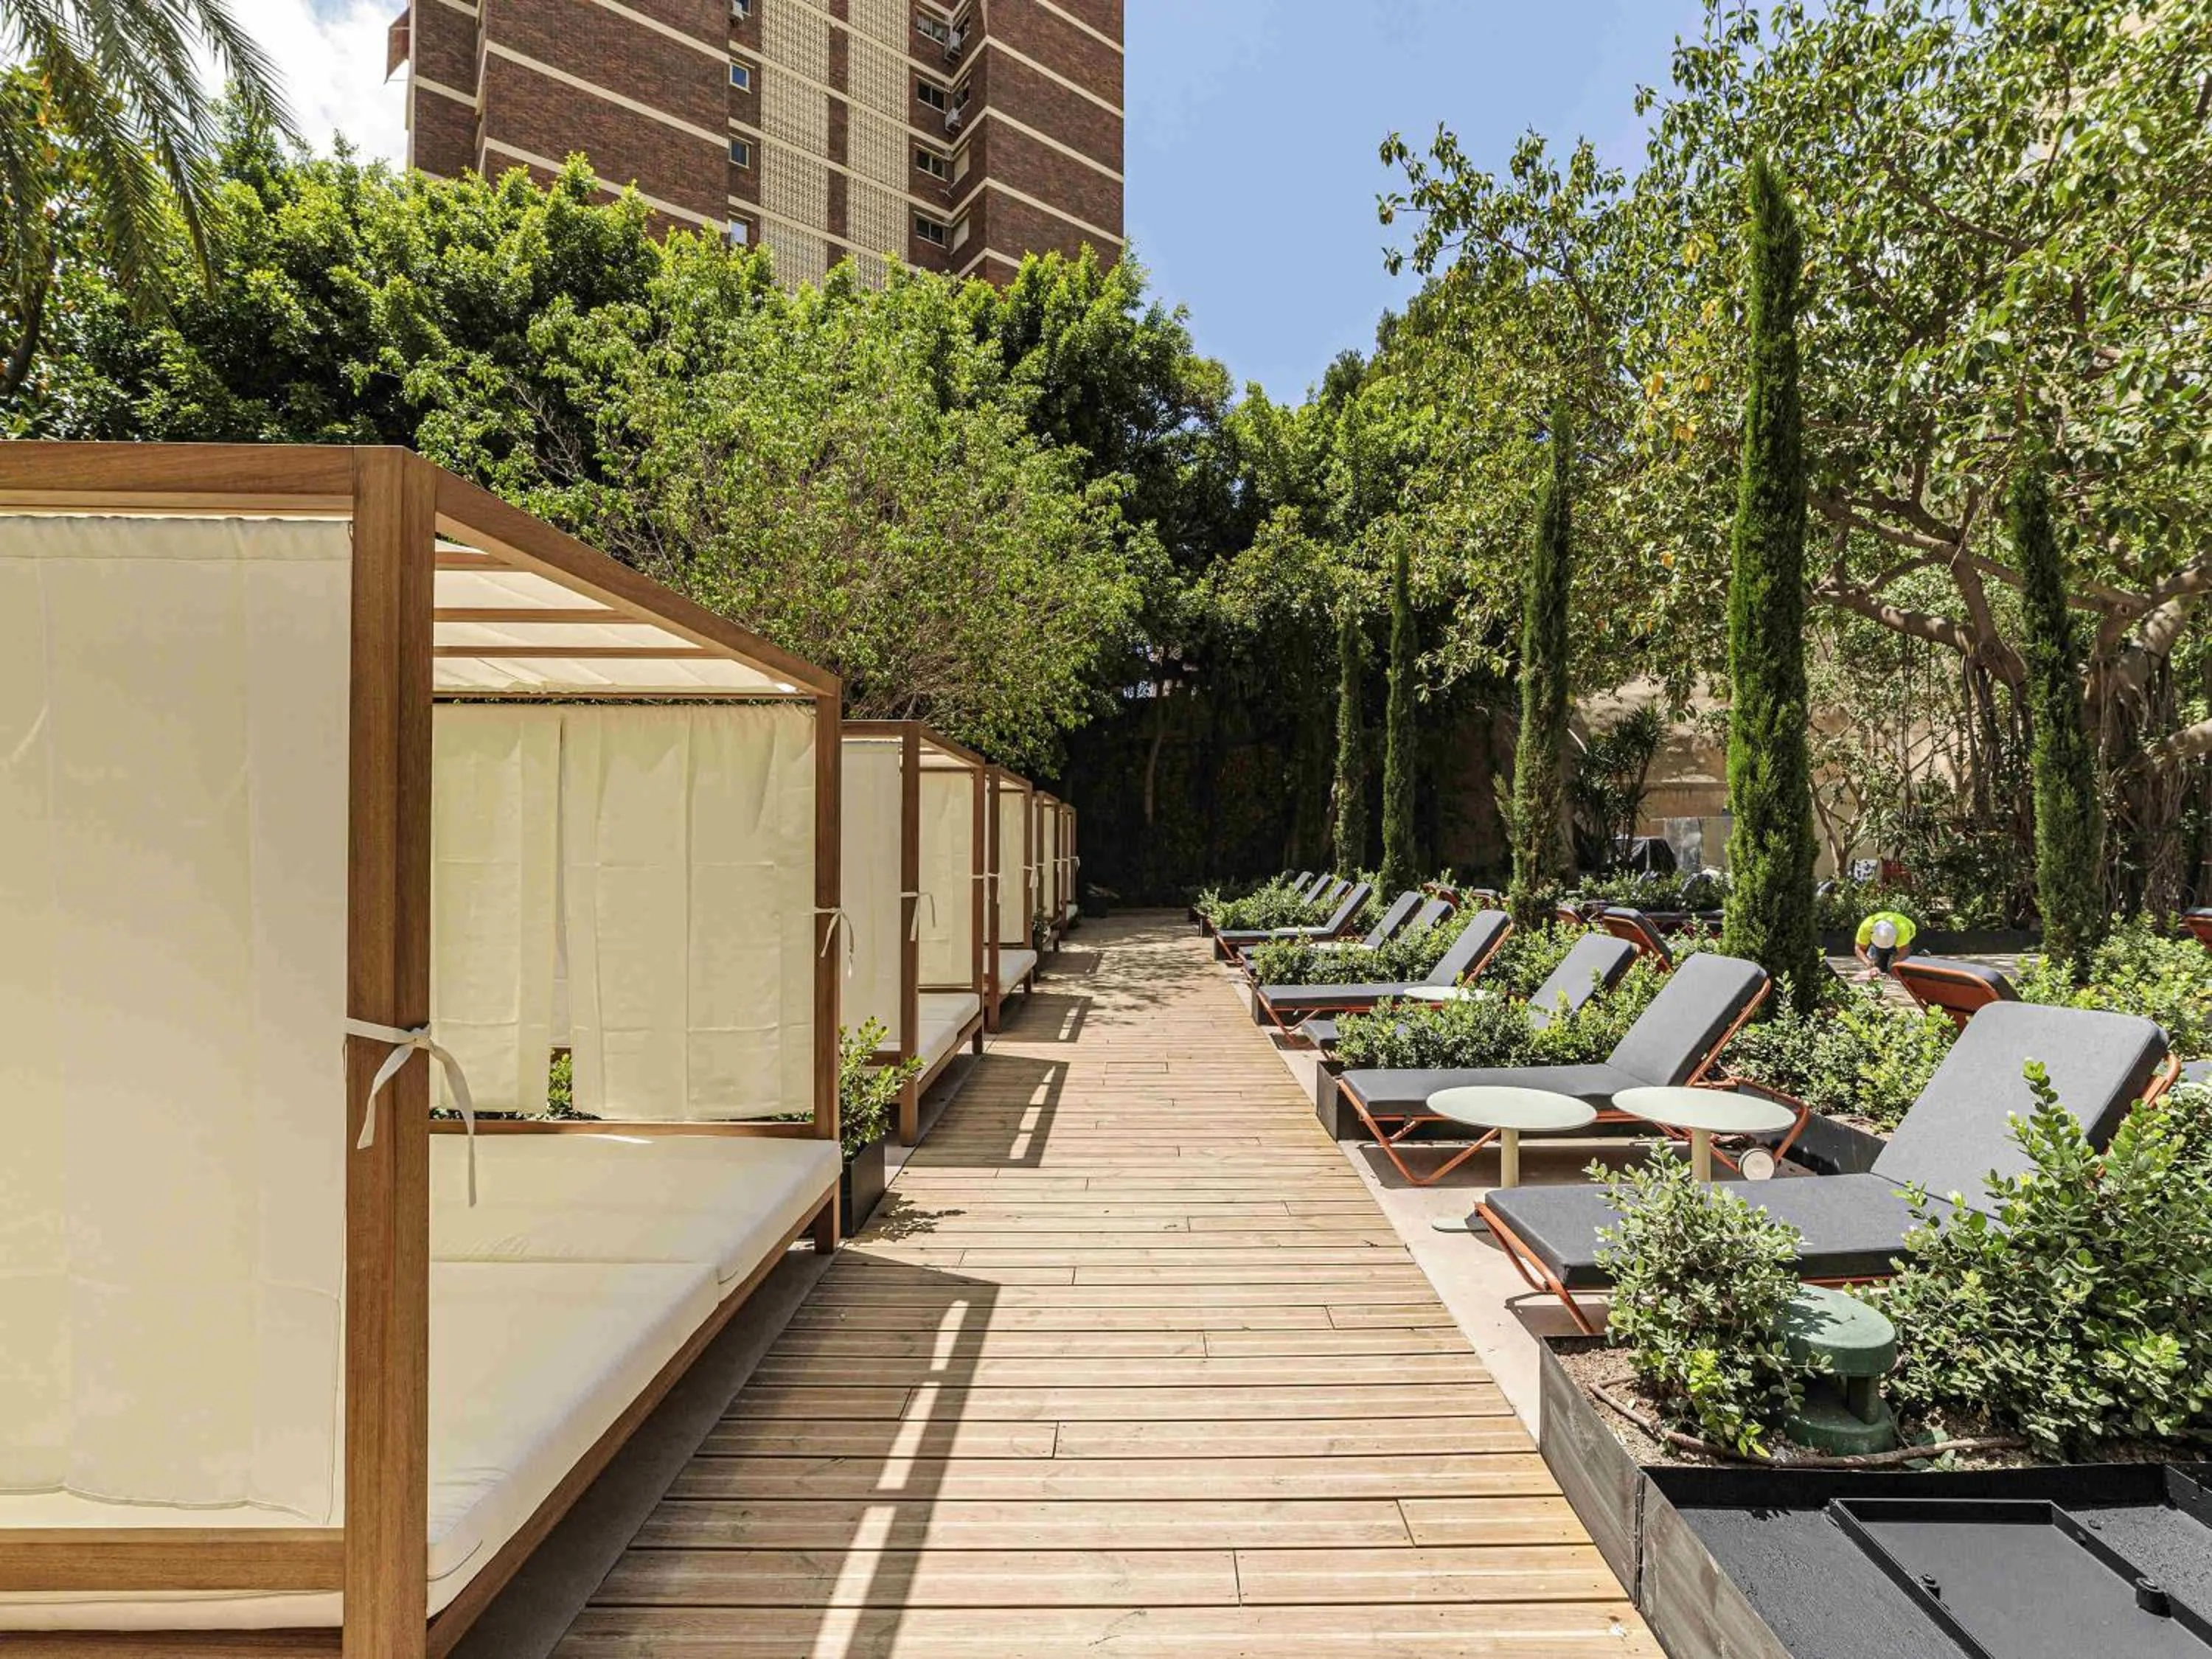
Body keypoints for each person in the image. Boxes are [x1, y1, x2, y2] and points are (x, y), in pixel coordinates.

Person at [1854, 910, 1918, 979]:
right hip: (1878, 945)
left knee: (1899, 972)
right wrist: (1870, 965)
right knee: (1879, 970)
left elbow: (1904, 951)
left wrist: (1894, 970)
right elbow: (1859, 948)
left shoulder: (1903, 929)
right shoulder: (1867, 926)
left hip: (1905, 937)